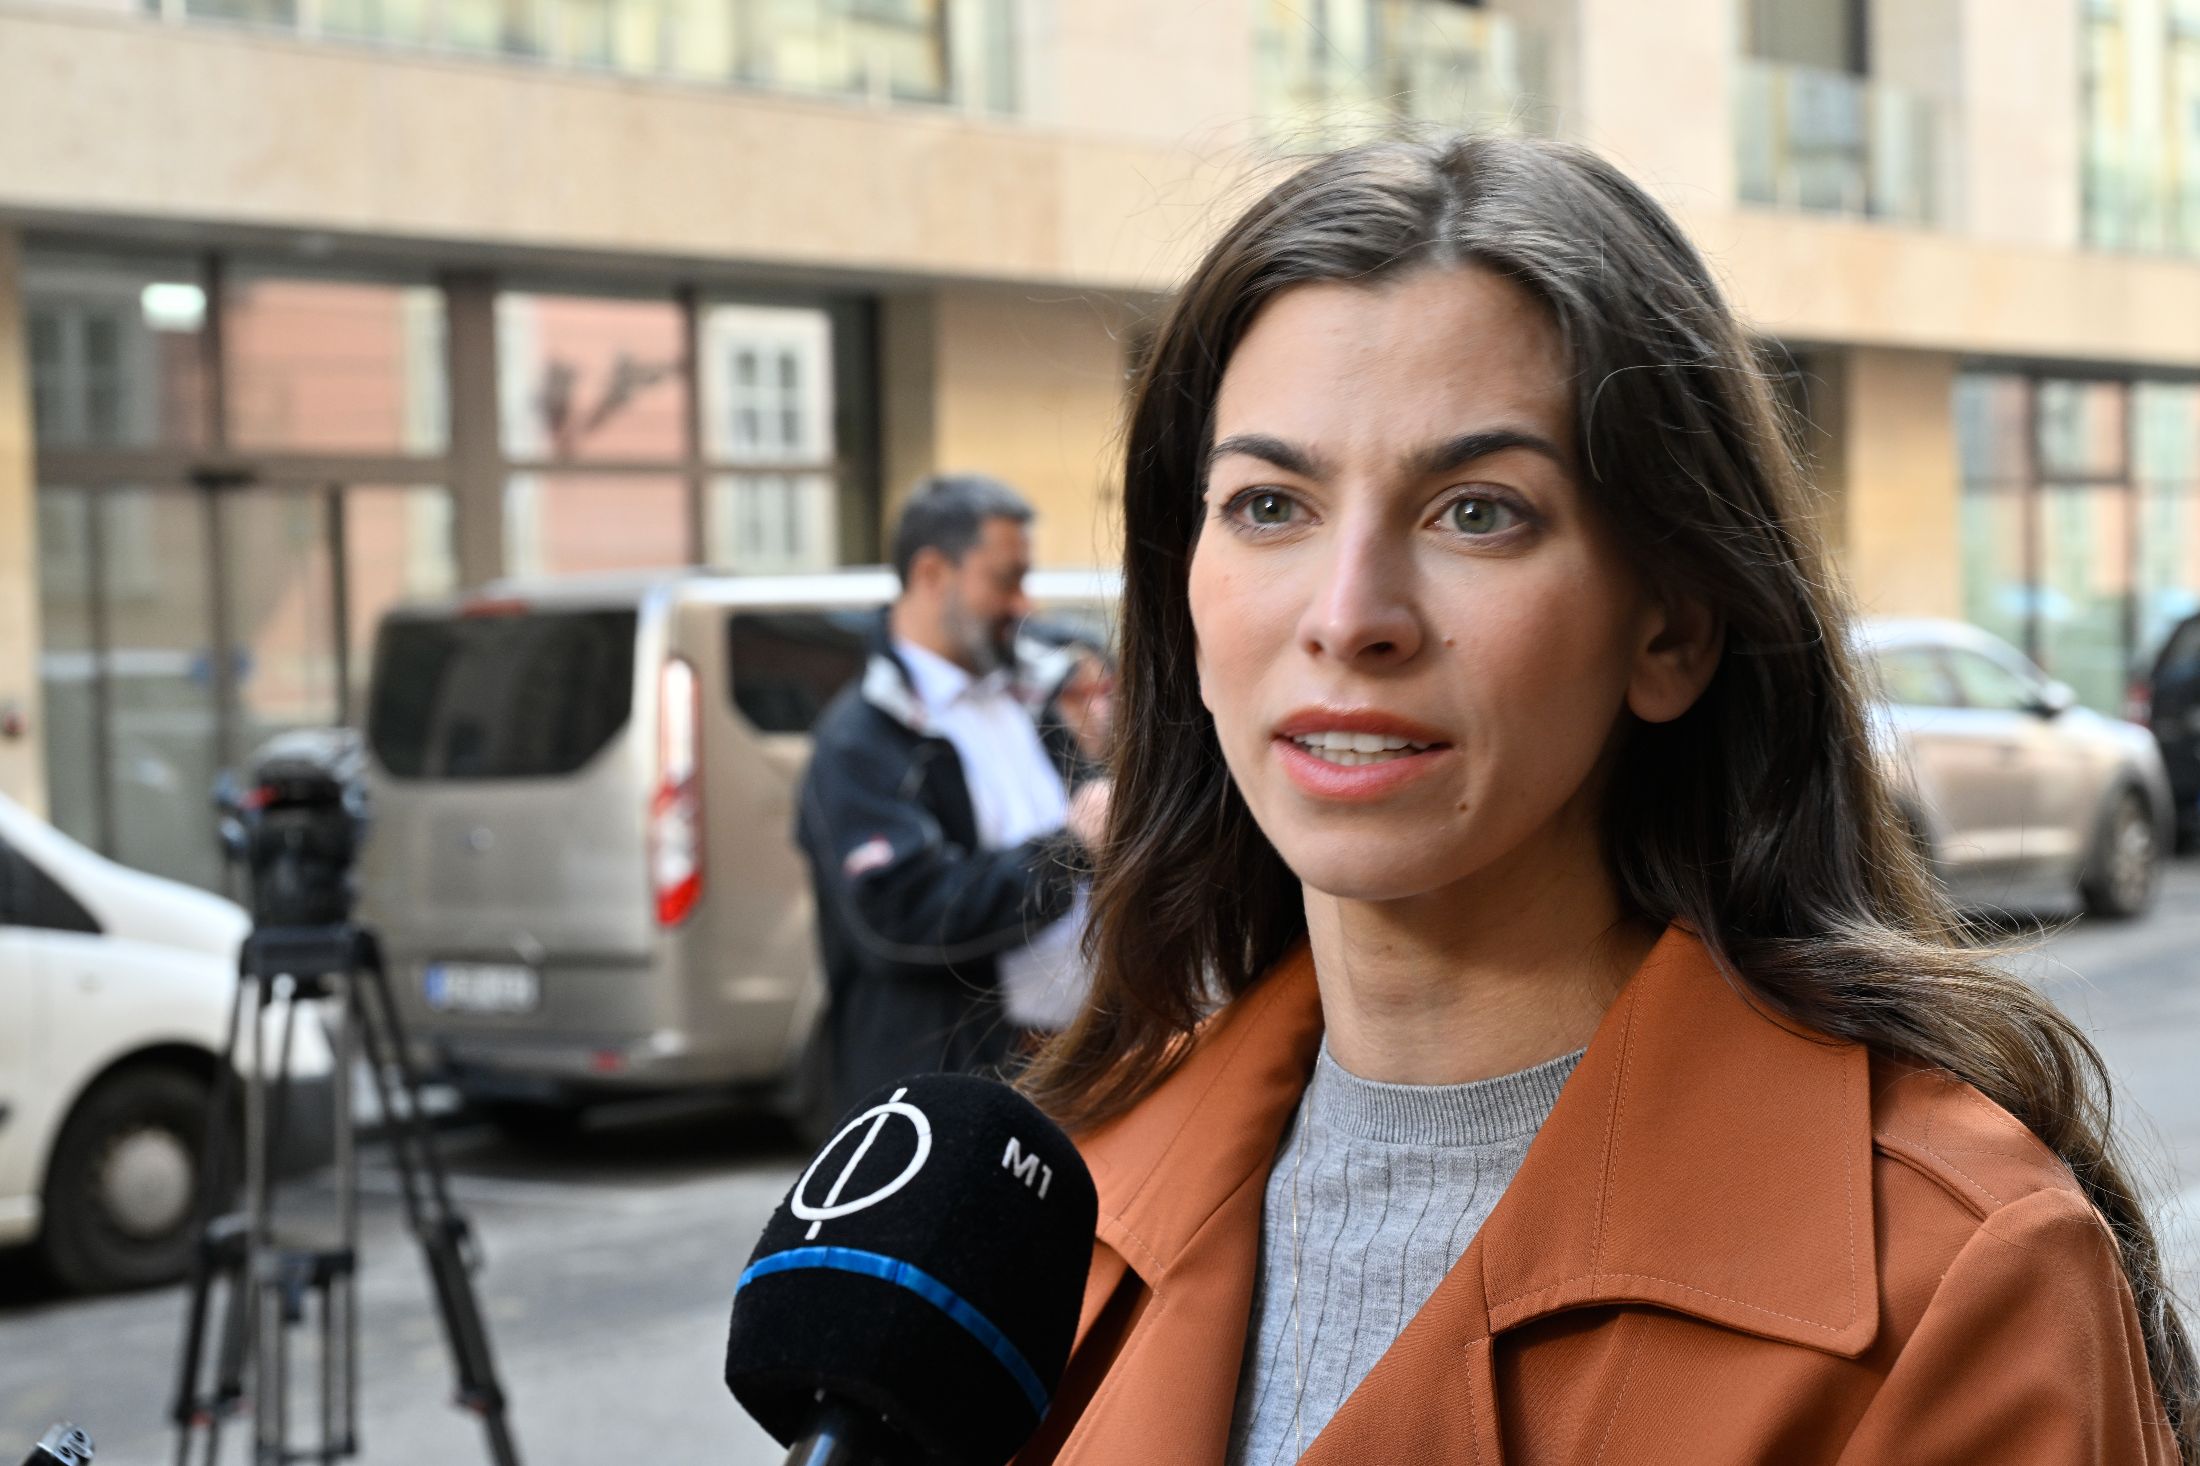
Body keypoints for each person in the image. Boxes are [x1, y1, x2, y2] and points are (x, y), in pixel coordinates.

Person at [1016, 136, 2194, 1465]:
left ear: (1672, 628)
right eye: (1270, 503)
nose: (1347, 617)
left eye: (1477, 511)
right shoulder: (1062, 1198)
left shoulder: (1951, 1273)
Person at [796, 473, 1107, 1119]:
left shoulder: (1024, 698)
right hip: (952, 1094)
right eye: (1006, 580)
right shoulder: (859, 740)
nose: (1023, 603)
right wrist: (1072, 849)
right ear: (932, 573)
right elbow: (902, 917)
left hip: (1071, 1066)